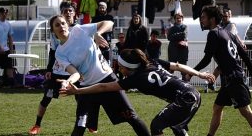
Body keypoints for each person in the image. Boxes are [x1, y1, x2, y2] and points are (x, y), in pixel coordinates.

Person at [60, 48, 215, 136]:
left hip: (184, 97)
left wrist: (78, 91)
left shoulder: (136, 79)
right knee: (177, 126)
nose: (119, 70)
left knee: (156, 125)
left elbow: (103, 87)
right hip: (193, 93)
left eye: (120, 67)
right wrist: (200, 74)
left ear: (129, 68)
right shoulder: (152, 62)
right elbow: (178, 66)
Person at [51, 16, 150, 136]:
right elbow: (75, 73)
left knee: (132, 117)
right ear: (53, 31)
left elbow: (109, 23)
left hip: (108, 81)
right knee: (80, 125)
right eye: (57, 25)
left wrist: (98, 33)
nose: (61, 26)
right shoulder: (60, 53)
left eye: (63, 23)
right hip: (87, 89)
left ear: (67, 25)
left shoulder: (79, 30)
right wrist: (67, 82)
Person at [194, 5, 252, 136]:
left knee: (246, 112)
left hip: (234, 79)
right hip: (230, 79)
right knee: (217, 108)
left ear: (212, 19)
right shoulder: (227, 33)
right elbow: (244, 55)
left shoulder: (213, 33)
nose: (201, 20)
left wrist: (191, 72)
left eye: (203, 17)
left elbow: (206, 59)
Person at [29, 2, 98, 135]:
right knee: (46, 98)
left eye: (70, 11)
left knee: (83, 99)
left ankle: (88, 123)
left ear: (74, 14)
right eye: (65, 11)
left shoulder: (80, 29)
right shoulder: (56, 31)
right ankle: (37, 125)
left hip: (75, 72)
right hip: (58, 72)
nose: (68, 13)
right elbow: (52, 51)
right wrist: (49, 69)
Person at [208, 7, 247, 91]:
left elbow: (234, 36)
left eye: (228, 15)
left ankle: (214, 83)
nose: (226, 17)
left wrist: (241, 43)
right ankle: (217, 84)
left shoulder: (231, 25)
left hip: (230, 50)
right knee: (222, 68)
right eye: (224, 16)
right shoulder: (220, 25)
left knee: (222, 68)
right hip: (224, 51)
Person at [167, 12, 189, 81]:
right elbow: (169, 37)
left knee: (184, 70)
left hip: (183, 51)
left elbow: (184, 35)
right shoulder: (171, 28)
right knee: (171, 69)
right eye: (177, 18)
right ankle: (168, 84)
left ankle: (185, 84)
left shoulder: (185, 27)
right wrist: (179, 35)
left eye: (180, 18)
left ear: (182, 18)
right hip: (173, 51)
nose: (178, 19)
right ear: (175, 19)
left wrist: (175, 36)